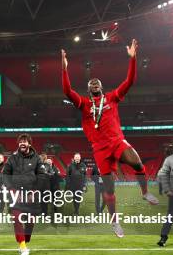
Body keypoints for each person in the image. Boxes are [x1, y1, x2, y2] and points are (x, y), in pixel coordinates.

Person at [61, 40, 159, 238]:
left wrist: (133, 59)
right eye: (91, 83)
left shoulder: (112, 97)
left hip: (116, 141)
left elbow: (129, 82)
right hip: (100, 149)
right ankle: (115, 221)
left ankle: (144, 192)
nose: (94, 83)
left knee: (137, 162)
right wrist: (64, 70)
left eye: (97, 82)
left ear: (102, 87)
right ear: (89, 89)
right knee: (109, 187)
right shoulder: (85, 104)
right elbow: (67, 92)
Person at [4, 134, 44, 255]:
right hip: (16, 193)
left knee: (30, 222)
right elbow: (5, 174)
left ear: (29, 144)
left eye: (25, 141)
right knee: (17, 218)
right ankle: (22, 246)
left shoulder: (37, 158)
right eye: (21, 141)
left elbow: (42, 176)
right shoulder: (12, 158)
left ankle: (24, 241)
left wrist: (34, 191)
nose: (22, 143)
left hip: (32, 194)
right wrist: (11, 189)